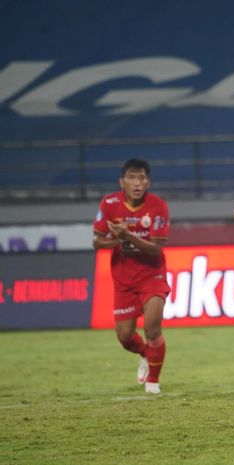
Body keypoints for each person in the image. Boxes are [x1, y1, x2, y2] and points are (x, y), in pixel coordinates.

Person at [92, 158, 170, 394]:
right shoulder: (109, 203)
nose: (138, 183)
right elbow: (97, 242)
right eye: (132, 178)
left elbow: (156, 249)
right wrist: (119, 238)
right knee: (125, 337)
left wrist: (128, 236)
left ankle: (153, 383)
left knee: (153, 327)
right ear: (122, 182)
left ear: (148, 182)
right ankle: (146, 354)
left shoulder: (158, 206)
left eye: (142, 178)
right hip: (123, 279)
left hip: (152, 275)